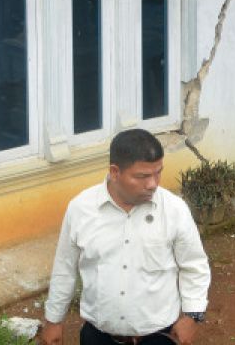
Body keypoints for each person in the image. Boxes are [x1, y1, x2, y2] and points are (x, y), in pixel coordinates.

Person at [42, 129, 211, 345]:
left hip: (158, 337)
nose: (153, 184)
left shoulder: (174, 210)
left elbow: (194, 265)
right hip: (99, 337)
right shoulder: (81, 209)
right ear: (115, 172)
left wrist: (192, 316)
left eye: (158, 172)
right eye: (142, 176)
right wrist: (54, 321)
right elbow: (64, 269)